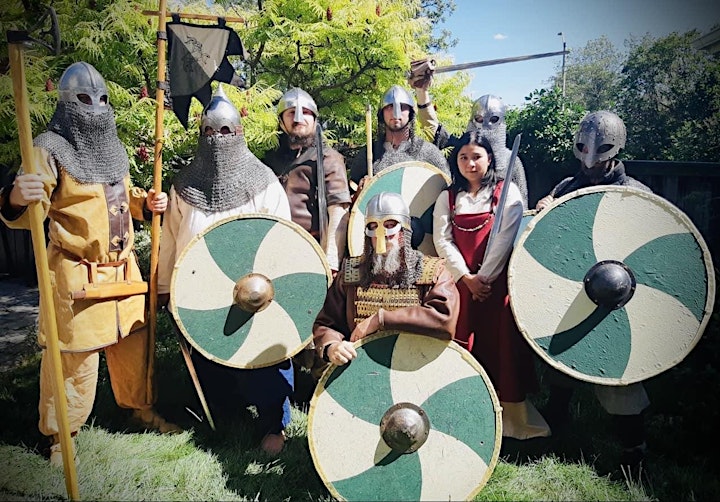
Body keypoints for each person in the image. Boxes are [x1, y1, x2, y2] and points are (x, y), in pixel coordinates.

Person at [0, 61, 179, 467]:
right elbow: (32, 212)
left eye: (101, 99)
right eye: (85, 99)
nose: (95, 106)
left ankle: (139, 410)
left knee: (135, 346)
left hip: (124, 269)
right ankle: (62, 437)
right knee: (73, 361)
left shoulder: (112, 147)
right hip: (77, 271)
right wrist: (16, 197)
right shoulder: (48, 147)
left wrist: (144, 203)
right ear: (67, 103)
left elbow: (117, 197)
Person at [157, 86, 294, 456]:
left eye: (225, 132)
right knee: (209, 355)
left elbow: (281, 238)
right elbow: (170, 240)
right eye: (209, 132)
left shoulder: (262, 180)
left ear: (239, 134)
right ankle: (224, 414)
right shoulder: (184, 185)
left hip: (255, 290)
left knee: (264, 359)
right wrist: (166, 286)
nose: (217, 139)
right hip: (200, 288)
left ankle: (273, 422)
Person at [535, 110, 651, 467]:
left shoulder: (635, 196)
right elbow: (549, 236)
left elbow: (650, 254)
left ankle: (634, 448)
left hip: (616, 296)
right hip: (572, 286)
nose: (590, 159)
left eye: (598, 150)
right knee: (562, 352)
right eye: (584, 148)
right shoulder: (567, 188)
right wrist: (543, 211)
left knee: (618, 371)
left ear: (616, 149)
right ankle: (558, 416)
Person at [432, 130, 550, 440]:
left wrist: (484, 278)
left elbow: (504, 238)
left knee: (502, 349)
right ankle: (463, 416)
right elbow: (442, 240)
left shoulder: (506, 192)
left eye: (476, 157)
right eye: (463, 157)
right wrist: (466, 278)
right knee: (461, 347)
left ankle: (512, 424)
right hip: (461, 288)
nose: (470, 163)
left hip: (495, 289)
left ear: (489, 159)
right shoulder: (447, 197)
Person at [313, 192, 459, 366]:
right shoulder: (351, 273)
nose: (381, 234)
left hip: (417, 366)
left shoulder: (432, 272)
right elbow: (327, 324)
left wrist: (381, 320)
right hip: (364, 369)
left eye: (390, 225)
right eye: (373, 226)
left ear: (404, 230)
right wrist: (332, 346)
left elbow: (443, 319)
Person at [263, 87, 351, 275]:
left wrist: (331, 263)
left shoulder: (328, 158)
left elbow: (338, 214)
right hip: (272, 249)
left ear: (314, 119)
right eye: (291, 113)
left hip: (311, 250)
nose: (298, 118)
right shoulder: (269, 161)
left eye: (306, 112)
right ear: (281, 120)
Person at [409, 71, 529, 208]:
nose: (485, 125)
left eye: (493, 119)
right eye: (479, 119)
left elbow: (522, 205)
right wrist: (421, 92)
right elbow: (432, 128)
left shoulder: (511, 161)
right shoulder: (459, 151)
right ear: (472, 120)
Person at [347, 85, 449, 190]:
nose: (396, 113)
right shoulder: (369, 153)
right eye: (389, 106)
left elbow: (447, 190)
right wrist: (360, 190)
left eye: (402, 107)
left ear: (410, 113)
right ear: (382, 113)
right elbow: (351, 196)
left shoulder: (428, 152)